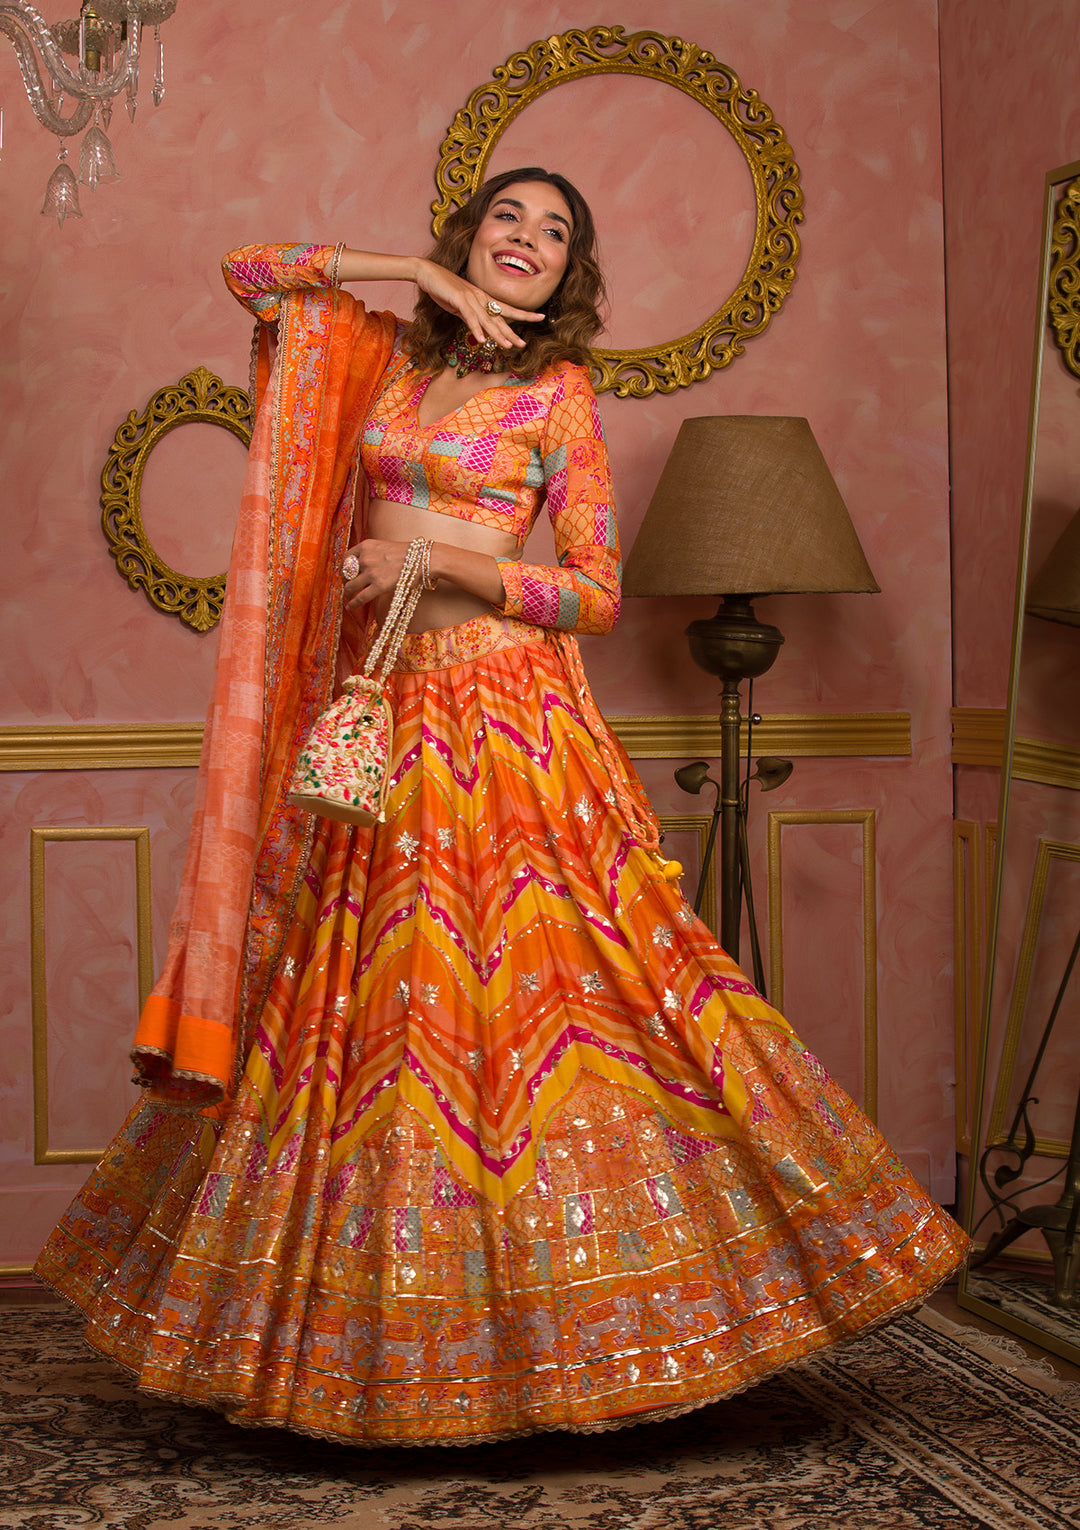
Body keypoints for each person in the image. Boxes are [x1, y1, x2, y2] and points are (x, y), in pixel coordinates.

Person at [36, 167, 968, 1447]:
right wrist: (408, 274)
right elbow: (253, 272)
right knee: (362, 1015)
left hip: (506, 720)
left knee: (550, 1005)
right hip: (382, 715)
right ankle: (379, 1348)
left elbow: (595, 592)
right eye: (505, 218)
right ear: (468, 237)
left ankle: (602, 1324)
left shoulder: (557, 393)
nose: (526, 239)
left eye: (555, 230)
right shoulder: (385, 360)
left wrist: (439, 559)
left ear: (572, 269)